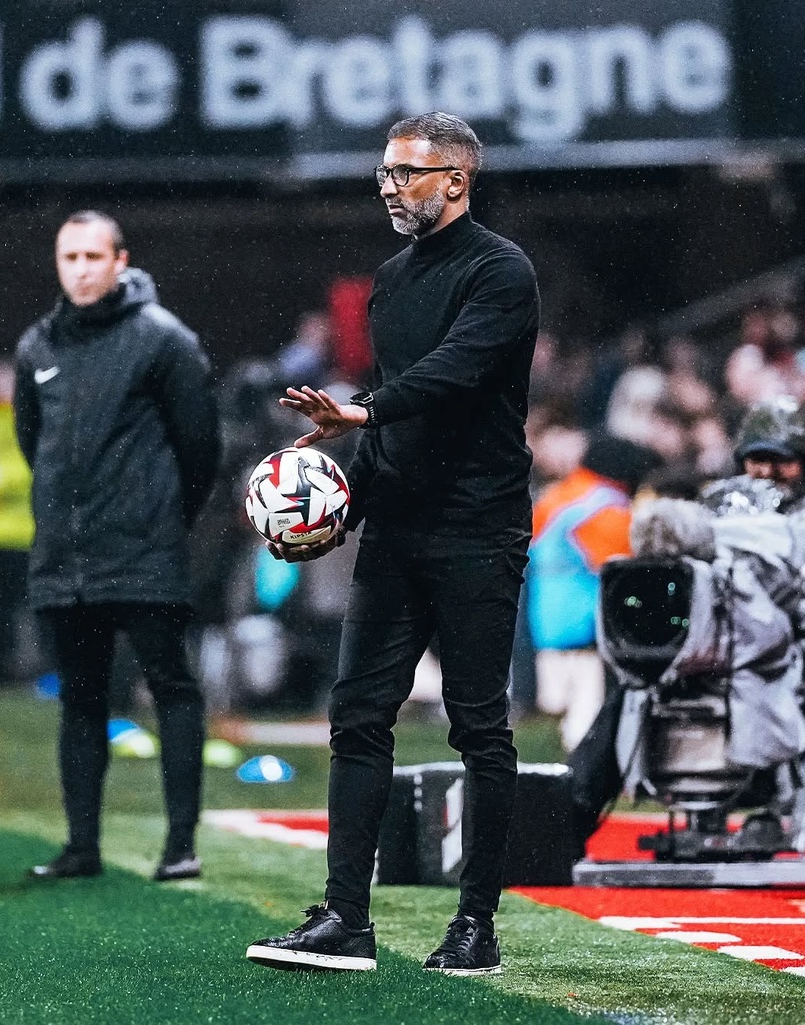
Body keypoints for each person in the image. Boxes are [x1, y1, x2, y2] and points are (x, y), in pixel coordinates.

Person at [245, 112, 540, 975]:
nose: (387, 184)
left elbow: (452, 376)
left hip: (480, 526)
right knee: (357, 715)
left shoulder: (502, 270)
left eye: (405, 171)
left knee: (479, 727)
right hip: (402, 529)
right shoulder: (391, 276)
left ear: (456, 179)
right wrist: (339, 508)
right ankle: (346, 919)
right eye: (383, 170)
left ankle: (476, 926)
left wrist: (363, 413)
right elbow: (387, 407)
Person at [13, 211, 220, 881]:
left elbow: (201, 449)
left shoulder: (164, 340)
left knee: (170, 687)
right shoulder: (36, 347)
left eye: (92, 255)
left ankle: (180, 845)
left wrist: (161, 518)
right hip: (64, 559)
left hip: (144, 552)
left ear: (120, 259)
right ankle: (82, 847)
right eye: (68, 257)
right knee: (80, 697)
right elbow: (32, 443)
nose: (80, 268)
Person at [568, 395, 805, 860]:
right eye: (757, 459)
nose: (766, 471)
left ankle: (774, 805)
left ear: (803, 463)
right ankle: (568, 820)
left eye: (781, 461)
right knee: (635, 684)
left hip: (790, 655)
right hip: (717, 646)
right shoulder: (721, 509)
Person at [526, 433, 662, 751]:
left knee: (566, 696)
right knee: (590, 697)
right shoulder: (603, 507)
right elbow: (627, 564)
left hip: (547, 613)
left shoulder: (557, 496)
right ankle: (583, 765)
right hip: (587, 615)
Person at [0, 360, 34, 684]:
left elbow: (30, 468)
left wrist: (3, 481)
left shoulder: (27, 420)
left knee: (15, 610)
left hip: (20, 536)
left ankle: (14, 671)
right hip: (0, 535)